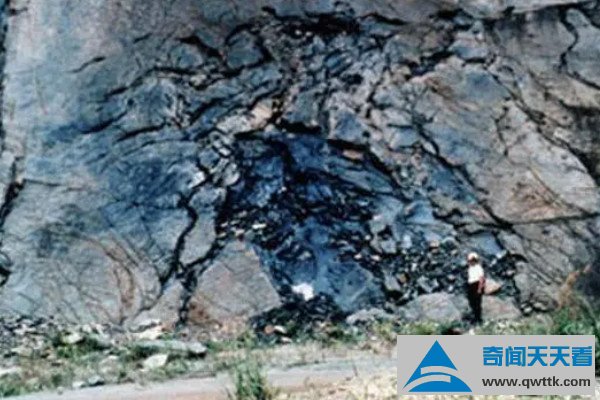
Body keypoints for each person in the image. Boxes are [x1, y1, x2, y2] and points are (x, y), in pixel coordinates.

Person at [466, 252, 485, 324]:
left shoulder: (478, 268)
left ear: (474, 260)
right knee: (471, 301)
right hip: (471, 285)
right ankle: (474, 316)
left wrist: (479, 288)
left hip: (476, 285)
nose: (469, 262)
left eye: (470, 260)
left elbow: (481, 279)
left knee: (477, 302)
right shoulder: (470, 268)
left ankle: (478, 318)